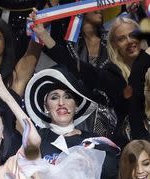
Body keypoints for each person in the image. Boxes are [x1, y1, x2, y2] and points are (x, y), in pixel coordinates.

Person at [32, 15, 144, 145]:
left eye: (133, 35)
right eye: (122, 39)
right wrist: (44, 35)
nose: (130, 41)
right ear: (115, 45)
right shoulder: (114, 75)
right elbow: (77, 66)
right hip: (136, 145)